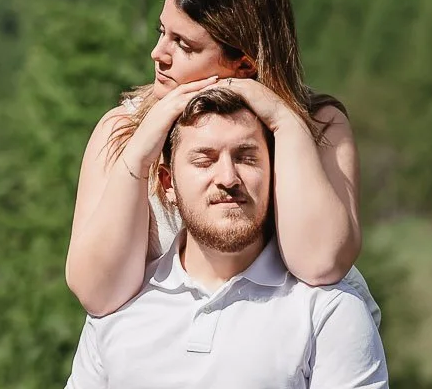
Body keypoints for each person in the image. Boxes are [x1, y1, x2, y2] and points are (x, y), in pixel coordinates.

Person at [66, 0, 366, 317]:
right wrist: (143, 149)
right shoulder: (122, 130)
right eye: (163, 32)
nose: (158, 53)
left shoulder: (319, 125)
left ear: (243, 64)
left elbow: (322, 262)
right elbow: (97, 292)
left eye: (184, 44)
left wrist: (284, 123)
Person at [65, 89, 388, 388]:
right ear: (167, 183)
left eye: (246, 158)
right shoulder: (120, 308)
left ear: (277, 174)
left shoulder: (328, 311)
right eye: (204, 160)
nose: (227, 178)